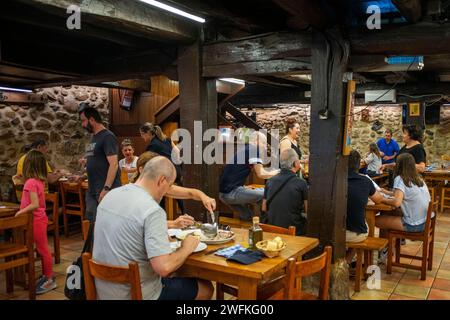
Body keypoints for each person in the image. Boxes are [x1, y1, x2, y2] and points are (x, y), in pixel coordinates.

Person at [92, 156, 214, 300]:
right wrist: (187, 247)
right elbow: (164, 268)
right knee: (205, 288)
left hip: (103, 291)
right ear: (162, 180)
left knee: (174, 275)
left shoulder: (110, 195)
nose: (168, 191)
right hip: (137, 294)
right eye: (169, 186)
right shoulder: (152, 210)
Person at [132, 151, 217, 229]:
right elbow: (139, 224)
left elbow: (190, 193)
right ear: (141, 170)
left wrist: (204, 197)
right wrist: (173, 224)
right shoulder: (133, 194)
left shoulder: (159, 185)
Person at [15, 150, 56, 294]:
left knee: (42, 250)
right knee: (42, 249)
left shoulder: (30, 183)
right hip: (40, 219)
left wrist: (20, 212)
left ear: (28, 166)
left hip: (35, 221)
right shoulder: (38, 181)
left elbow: (35, 204)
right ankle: (47, 276)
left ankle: (49, 279)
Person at [219, 131, 279, 221]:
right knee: (267, 193)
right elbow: (261, 174)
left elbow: (258, 171)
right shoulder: (253, 150)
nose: (265, 147)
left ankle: (253, 224)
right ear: (256, 140)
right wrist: (278, 172)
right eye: (264, 143)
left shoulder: (246, 149)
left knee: (248, 217)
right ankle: (269, 222)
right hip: (231, 193)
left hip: (223, 194)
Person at [78, 104, 121, 221]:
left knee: (106, 225)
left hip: (105, 189)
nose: (82, 125)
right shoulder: (93, 137)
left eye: (83, 121)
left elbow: (114, 164)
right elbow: (96, 159)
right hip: (93, 188)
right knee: (92, 224)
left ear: (92, 119)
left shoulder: (107, 136)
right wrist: (85, 162)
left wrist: (106, 188)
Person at [376, 153, 430, 237]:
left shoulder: (400, 178)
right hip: (425, 221)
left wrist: (381, 199)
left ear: (399, 165)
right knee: (386, 213)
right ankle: (387, 247)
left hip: (414, 225)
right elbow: (405, 193)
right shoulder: (419, 179)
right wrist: (386, 192)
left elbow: (396, 202)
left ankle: (385, 246)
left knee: (376, 220)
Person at [346, 150, 383, 264]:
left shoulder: (335, 180)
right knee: (363, 225)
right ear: (359, 165)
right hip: (355, 233)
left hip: (332, 231)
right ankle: (346, 262)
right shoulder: (365, 181)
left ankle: (342, 262)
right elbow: (378, 199)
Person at [140, 122, 184, 213]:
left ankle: (162, 214)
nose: (142, 137)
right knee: (178, 194)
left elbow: (149, 163)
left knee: (156, 187)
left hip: (168, 173)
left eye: (142, 134)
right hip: (177, 171)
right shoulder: (166, 139)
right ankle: (184, 211)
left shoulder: (152, 146)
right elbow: (176, 151)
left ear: (148, 133)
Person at [262, 149, 308, 235]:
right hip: (292, 231)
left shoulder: (270, 181)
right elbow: (307, 210)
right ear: (295, 163)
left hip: (272, 229)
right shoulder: (301, 183)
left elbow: (264, 208)